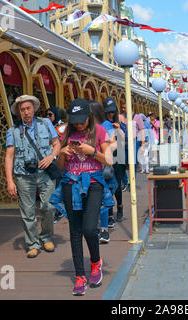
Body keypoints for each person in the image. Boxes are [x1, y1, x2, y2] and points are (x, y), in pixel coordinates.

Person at [49, 98, 113, 296]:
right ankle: (79, 275)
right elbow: (60, 166)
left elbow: (109, 160)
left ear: (89, 116)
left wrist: (92, 151)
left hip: (93, 184)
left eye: (82, 120)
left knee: (89, 228)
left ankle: (95, 263)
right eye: (75, 121)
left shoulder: (100, 131)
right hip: (70, 183)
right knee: (75, 231)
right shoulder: (66, 132)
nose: (79, 124)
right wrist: (63, 153)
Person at [5, 95, 61, 259]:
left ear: (34, 109)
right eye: (22, 110)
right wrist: (10, 180)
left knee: (48, 207)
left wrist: (51, 157)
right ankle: (33, 243)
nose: (26, 112)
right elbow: (9, 156)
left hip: (45, 173)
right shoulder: (13, 131)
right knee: (27, 212)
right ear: (18, 112)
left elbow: (56, 144)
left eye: (28, 108)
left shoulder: (45, 123)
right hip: (24, 176)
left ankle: (46, 236)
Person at [89, 99, 117, 243]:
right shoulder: (84, 127)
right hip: (86, 169)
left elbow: (114, 144)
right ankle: (93, 229)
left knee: (102, 199)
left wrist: (101, 150)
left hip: (101, 167)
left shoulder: (105, 125)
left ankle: (104, 230)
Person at [103, 98, 125, 223]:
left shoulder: (120, 121)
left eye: (112, 112)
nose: (110, 114)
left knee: (117, 185)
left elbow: (127, 138)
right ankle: (110, 214)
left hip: (119, 155)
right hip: (108, 155)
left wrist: (120, 129)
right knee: (108, 185)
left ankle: (120, 206)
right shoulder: (103, 123)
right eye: (108, 112)